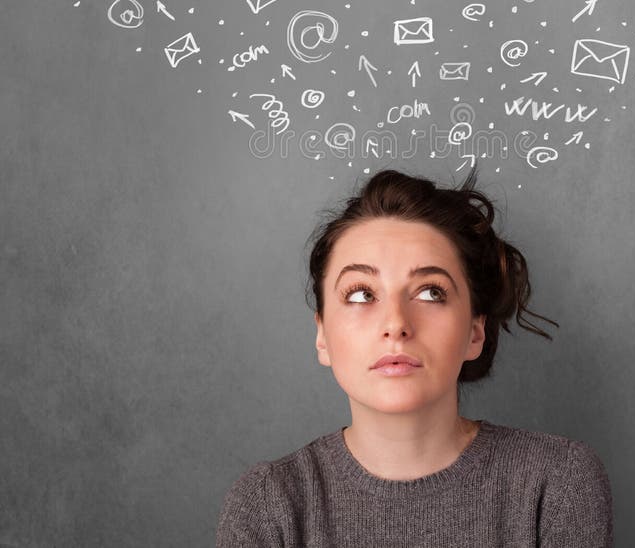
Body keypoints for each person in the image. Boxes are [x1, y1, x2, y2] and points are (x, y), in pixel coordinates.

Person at [216, 167, 613, 547]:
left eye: (430, 292)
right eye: (361, 294)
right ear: (322, 334)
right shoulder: (269, 504)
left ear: (475, 332)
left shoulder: (557, 483)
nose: (396, 324)